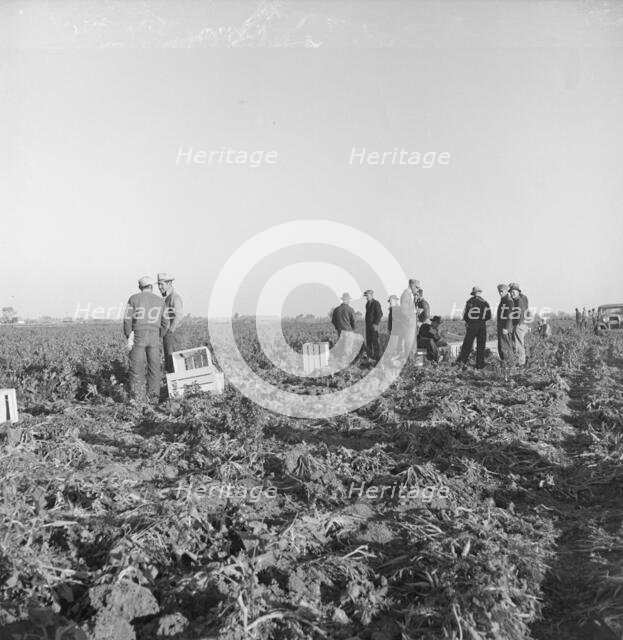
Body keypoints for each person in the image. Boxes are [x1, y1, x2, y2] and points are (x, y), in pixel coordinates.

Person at [123, 276, 166, 402]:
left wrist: (128, 335)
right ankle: (154, 399)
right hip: (154, 335)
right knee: (154, 368)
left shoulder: (133, 299)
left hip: (138, 335)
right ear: (151, 287)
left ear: (140, 287)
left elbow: (127, 320)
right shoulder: (160, 301)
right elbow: (166, 322)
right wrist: (159, 335)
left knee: (137, 368)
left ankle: (138, 399)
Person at [456, 286, 492, 369]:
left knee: (467, 345)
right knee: (481, 346)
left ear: (473, 294)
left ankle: (462, 363)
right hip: (482, 325)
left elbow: (465, 315)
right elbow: (488, 315)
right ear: (479, 293)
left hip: (472, 325)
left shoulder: (470, 302)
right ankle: (480, 365)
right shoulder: (485, 303)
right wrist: (482, 320)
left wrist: (469, 321)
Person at [158, 273, 184, 374]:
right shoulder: (167, 298)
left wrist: (170, 331)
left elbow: (179, 316)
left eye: (162, 284)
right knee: (171, 362)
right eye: (159, 285)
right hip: (169, 334)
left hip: (173, 334)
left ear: (169, 283)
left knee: (175, 361)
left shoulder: (174, 297)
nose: (160, 287)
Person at [331, 293, 357, 362]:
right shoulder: (350, 309)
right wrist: (353, 329)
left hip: (340, 331)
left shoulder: (336, 310)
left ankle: (340, 363)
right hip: (348, 331)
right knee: (347, 349)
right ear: (348, 300)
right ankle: (346, 364)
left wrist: (337, 327)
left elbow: (333, 321)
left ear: (342, 300)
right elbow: (353, 321)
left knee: (341, 347)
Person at [398, 279, 420, 357]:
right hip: (409, 326)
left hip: (411, 326)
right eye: (416, 287)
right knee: (410, 347)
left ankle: (412, 364)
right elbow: (404, 311)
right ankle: (410, 365)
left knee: (413, 347)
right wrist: (412, 316)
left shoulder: (410, 296)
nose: (418, 290)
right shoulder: (405, 295)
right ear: (411, 285)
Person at [509, 282, 529, 366]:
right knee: (520, 343)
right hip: (522, 324)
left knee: (518, 344)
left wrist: (518, 324)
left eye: (513, 292)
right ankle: (522, 361)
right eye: (511, 292)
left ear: (518, 292)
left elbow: (521, 313)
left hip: (519, 324)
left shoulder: (518, 300)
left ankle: (520, 363)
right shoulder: (523, 298)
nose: (512, 294)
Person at [496, 283, 514, 366]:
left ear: (506, 291)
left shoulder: (508, 301)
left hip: (505, 329)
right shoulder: (503, 300)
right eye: (499, 291)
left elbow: (509, 316)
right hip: (501, 327)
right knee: (501, 346)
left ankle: (509, 365)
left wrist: (506, 328)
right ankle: (505, 365)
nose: (500, 293)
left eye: (502, 291)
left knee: (505, 347)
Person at [363, 289, 383, 361]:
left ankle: (377, 358)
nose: (366, 297)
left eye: (367, 296)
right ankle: (370, 357)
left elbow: (380, 314)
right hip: (368, 326)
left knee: (375, 342)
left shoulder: (376, 303)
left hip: (374, 326)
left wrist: (375, 324)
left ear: (371, 295)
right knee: (368, 342)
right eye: (366, 296)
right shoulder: (367, 304)